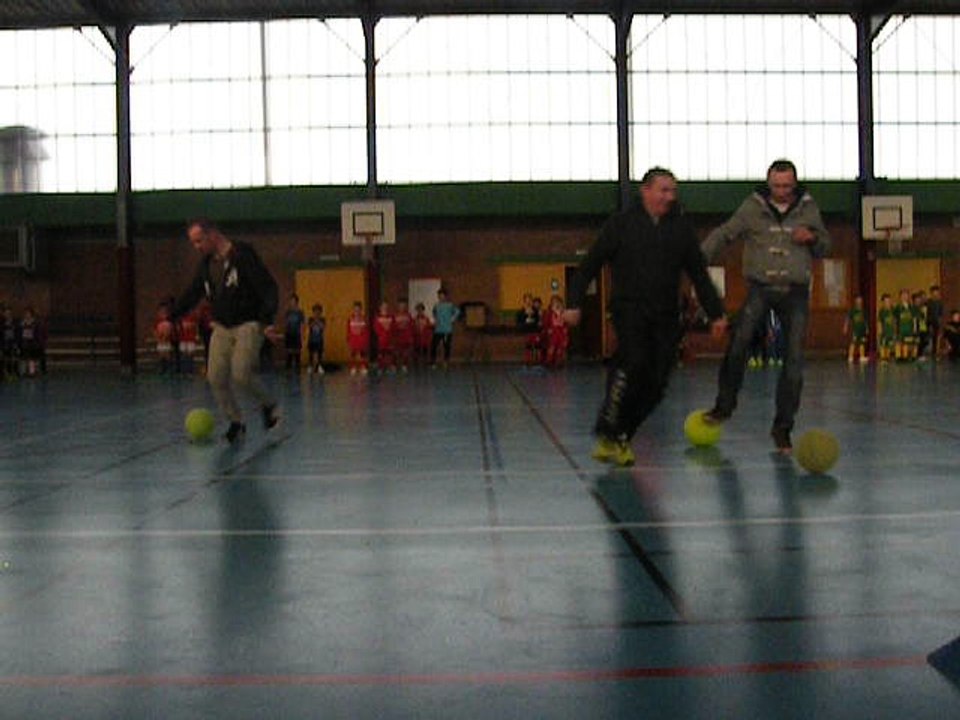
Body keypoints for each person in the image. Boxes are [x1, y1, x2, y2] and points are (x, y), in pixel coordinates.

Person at [566, 167, 727, 467]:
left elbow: (698, 274)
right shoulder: (621, 225)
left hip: (666, 316)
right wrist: (574, 302)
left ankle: (620, 436)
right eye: (663, 190)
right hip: (629, 310)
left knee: (657, 383)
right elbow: (589, 265)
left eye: (673, 191)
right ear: (646, 191)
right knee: (633, 362)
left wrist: (716, 313)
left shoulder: (680, 229)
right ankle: (607, 430)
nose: (669, 197)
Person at [701, 159, 831, 454]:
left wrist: (811, 238)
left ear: (795, 184)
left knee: (794, 361)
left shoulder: (808, 208)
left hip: (795, 291)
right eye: (776, 186)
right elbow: (724, 233)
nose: (782, 191)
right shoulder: (752, 207)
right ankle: (723, 407)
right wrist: (698, 260)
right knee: (739, 342)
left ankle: (783, 429)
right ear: (768, 183)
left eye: (787, 186)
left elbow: (826, 245)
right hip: (760, 288)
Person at [171, 218, 280, 443]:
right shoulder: (206, 265)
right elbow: (193, 293)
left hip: (248, 323)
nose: (197, 247)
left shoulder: (243, 254)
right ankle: (236, 422)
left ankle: (268, 404)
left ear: (213, 235)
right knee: (215, 376)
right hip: (221, 326)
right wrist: (171, 318)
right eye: (193, 243)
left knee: (241, 373)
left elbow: (267, 286)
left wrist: (267, 320)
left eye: (199, 241)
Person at [431, 288, 460, 368]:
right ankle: (433, 362)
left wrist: (452, 319)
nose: (441, 297)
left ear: (445, 296)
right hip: (438, 330)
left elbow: (457, 311)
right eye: (439, 296)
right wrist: (435, 320)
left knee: (446, 346)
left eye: (442, 296)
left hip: (447, 330)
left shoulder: (450, 305)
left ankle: (446, 362)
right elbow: (434, 313)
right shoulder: (436, 305)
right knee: (434, 345)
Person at [283, 293, 306, 373]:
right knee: (289, 353)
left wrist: (302, 334)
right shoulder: (288, 312)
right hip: (289, 334)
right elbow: (286, 323)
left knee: (297, 353)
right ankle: (288, 370)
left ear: (296, 302)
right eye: (290, 301)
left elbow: (302, 324)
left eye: (293, 301)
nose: (291, 302)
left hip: (297, 334)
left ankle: (297, 370)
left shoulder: (300, 312)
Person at [346, 301, 370, 375]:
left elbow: (366, 330)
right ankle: (353, 367)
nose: (357, 311)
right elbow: (348, 330)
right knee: (353, 354)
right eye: (355, 310)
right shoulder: (350, 319)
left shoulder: (364, 319)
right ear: (353, 310)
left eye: (359, 309)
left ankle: (363, 367)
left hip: (362, 340)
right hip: (353, 340)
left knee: (363, 355)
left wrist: (366, 340)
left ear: (361, 310)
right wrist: (348, 339)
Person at [844, 295, 868, 364]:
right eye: (858, 301)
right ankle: (850, 357)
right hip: (855, 330)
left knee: (862, 343)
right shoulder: (852, 311)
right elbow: (847, 319)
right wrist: (845, 327)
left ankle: (862, 356)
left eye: (860, 301)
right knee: (853, 343)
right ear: (855, 302)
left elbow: (865, 321)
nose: (859, 302)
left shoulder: (863, 311)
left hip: (862, 330)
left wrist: (866, 329)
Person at [393, 298, 415, 373]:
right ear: (398, 306)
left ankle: (404, 365)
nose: (402, 308)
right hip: (397, 337)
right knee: (397, 352)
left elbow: (411, 326)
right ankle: (395, 365)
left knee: (405, 352)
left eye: (403, 306)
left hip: (406, 337)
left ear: (405, 307)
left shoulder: (408, 316)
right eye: (400, 306)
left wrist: (410, 337)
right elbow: (392, 326)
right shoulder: (394, 316)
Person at [877, 293, 897, 363]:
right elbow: (879, 321)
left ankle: (887, 357)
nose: (887, 303)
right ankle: (883, 358)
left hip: (890, 331)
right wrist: (880, 331)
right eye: (886, 301)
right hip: (884, 332)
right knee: (883, 345)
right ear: (883, 302)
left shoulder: (893, 310)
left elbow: (894, 320)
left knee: (889, 345)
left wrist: (895, 330)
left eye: (889, 301)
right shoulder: (882, 311)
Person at [307, 303, 326, 375]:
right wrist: (314, 320)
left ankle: (319, 366)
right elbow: (310, 326)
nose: (317, 313)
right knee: (311, 353)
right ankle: (311, 366)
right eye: (315, 312)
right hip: (312, 339)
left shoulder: (323, 319)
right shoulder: (310, 319)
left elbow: (322, 327)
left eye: (318, 312)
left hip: (319, 339)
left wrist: (318, 321)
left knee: (319, 354)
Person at [927, 285, 944, 359]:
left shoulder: (940, 302)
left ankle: (935, 353)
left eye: (937, 293)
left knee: (936, 338)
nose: (935, 295)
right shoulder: (928, 302)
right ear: (931, 293)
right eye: (934, 293)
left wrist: (940, 323)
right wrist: (929, 324)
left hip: (937, 323)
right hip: (929, 323)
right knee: (930, 338)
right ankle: (929, 353)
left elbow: (940, 314)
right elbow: (927, 314)